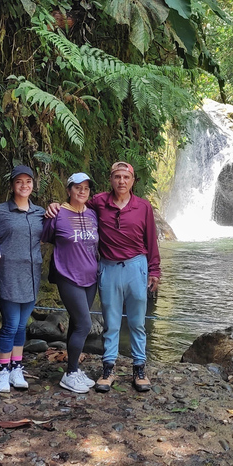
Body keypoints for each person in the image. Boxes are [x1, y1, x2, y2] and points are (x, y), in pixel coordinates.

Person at [47, 161, 160, 392]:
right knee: (111, 321)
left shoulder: (143, 207)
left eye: (126, 177)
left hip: (136, 266)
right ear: (111, 180)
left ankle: (139, 367)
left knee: (138, 321)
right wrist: (54, 206)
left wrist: (155, 270)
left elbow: (151, 240)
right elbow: (75, 205)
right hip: (107, 267)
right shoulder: (98, 202)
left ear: (132, 181)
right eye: (117, 177)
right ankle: (108, 368)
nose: (121, 181)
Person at [41, 173, 99, 394]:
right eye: (77, 187)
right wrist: (49, 209)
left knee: (76, 324)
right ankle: (71, 374)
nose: (82, 191)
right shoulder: (57, 213)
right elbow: (43, 238)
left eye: (86, 188)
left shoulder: (93, 214)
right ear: (68, 190)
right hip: (68, 276)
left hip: (91, 278)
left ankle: (73, 369)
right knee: (85, 324)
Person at [0, 166, 45, 393]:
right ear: (12, 185)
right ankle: (2, 372)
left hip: (32, 275)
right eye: (19, 181)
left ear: (33, 184)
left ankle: (17, 367)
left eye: (28, 181)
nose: (24, 185)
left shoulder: (40, 212)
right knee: (11, 324)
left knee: (22, 325)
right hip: (8, 273)